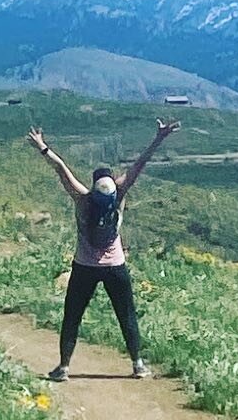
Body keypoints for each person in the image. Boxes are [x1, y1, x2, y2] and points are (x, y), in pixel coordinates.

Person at [27, 118, 181, 382]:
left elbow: (61, 168)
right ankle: (138, 365)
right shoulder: (119, 194)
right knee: (126, 314)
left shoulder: (82, 198)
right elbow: (139, 165)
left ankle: (63, 367)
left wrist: (42, 147)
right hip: (116, 267)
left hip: (84, 266)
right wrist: (159, 138)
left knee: (72, 316)